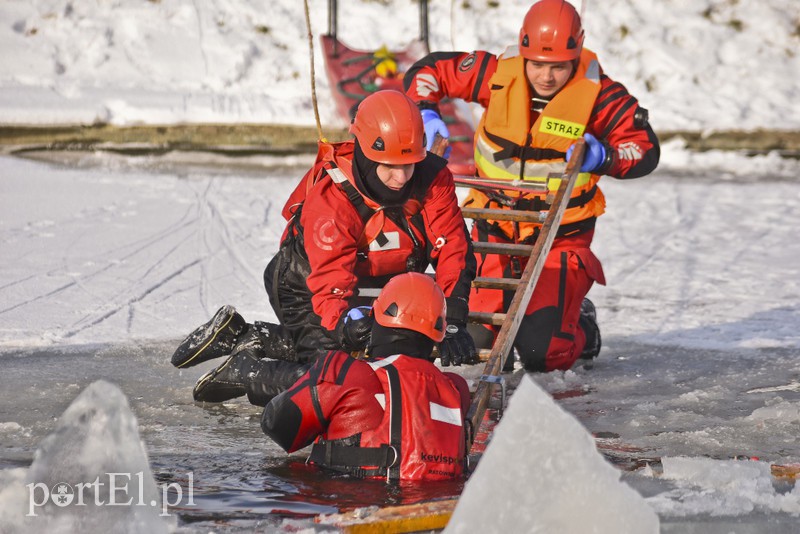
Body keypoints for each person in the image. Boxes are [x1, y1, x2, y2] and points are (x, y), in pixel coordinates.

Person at [170, 90, 478, 404]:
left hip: (377, 280)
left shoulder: (433, 179)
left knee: (387, 359)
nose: (401, 177)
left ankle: (246, 336)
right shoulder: (332, 201)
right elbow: (330, 287)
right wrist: (345, 325)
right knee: (335, 383)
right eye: (389, 167)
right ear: (367, 156)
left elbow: (452, 248)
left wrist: (453, 319)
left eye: (409, 165)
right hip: (306, 284)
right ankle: (248, 370)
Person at [403, 0, 660, 373]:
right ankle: (509, 306)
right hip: (494, 225)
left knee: (543, 354)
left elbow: (644, 148)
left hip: (561, 235)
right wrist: (424, 110)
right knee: (473, 341)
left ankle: (582, 322)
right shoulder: (494, 73)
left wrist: (602, 155)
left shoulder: (600, 95)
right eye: (537, 63)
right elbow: (429, 70)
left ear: (576, 53)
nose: (546, 76)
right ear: (523, 51)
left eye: (558, 66)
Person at [262, 272, 470, 481]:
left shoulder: (347, 371)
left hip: (352, 504)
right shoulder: (457, 389)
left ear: (378, 317)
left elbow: (276, 424)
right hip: (435, 505)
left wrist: (311, 379)